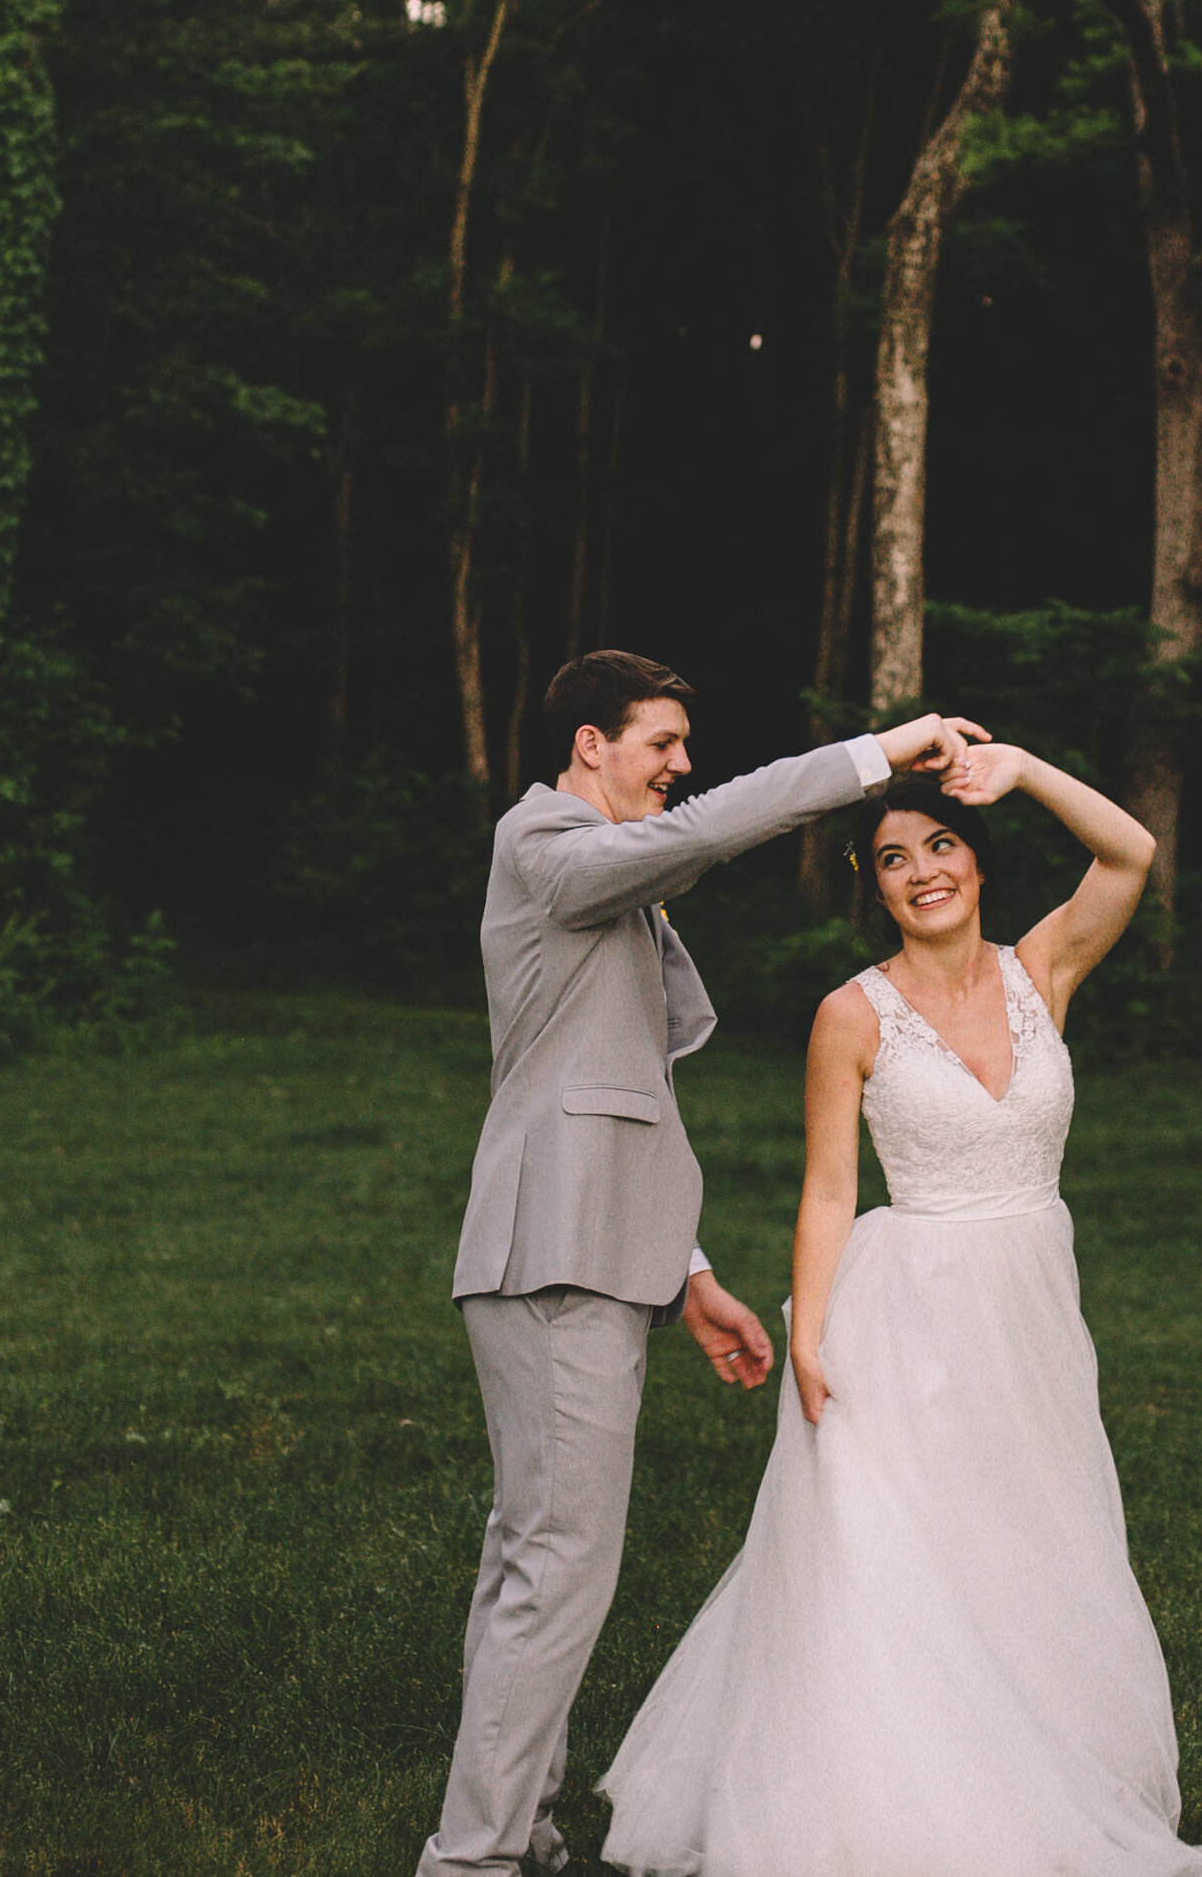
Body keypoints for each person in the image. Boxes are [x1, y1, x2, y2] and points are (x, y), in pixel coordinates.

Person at [600, 740, 1202, 1877]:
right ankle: (898, 1803)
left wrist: (1020, 768)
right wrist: (811, 1335)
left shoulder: (1045, 971)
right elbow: (829, 1188)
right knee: (902, 1556)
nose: (922, 870)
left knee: (1031, 1538)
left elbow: (1130, 852)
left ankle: (1047, 1763)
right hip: (908, 1307)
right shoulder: (853, 1014)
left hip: (1030, 1304)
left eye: (940, 845)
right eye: (892, 858)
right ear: (874, 887)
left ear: (978, 862)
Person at [416, 648, 978, 1877]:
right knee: (556, 1567)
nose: (681, 765)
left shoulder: (594, 872)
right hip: (553, 1259)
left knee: (531, 1557)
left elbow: (616, 1092)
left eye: (682, 744)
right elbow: (720, 827)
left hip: (585, 1248)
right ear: (588, 747)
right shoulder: (550, 847)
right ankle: (471, 1860)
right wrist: (879, 754)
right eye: (660, 742)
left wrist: (691, 1271)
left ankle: (521, 1827)